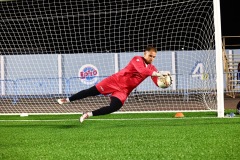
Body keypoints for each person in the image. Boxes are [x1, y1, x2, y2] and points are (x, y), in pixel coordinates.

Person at [57, 46, 171, 123]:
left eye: (154, 57)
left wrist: (164, 83)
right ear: (144, 53)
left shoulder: (152, 68)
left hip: (124, 91)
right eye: (150, 56)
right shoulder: (137, 59)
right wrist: (159, 73)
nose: (152, 58)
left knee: (114, 107)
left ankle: (87, 114)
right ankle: (66, 100)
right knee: (90, 92)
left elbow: (156, 81)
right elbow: (142, 71)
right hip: (114, 82)